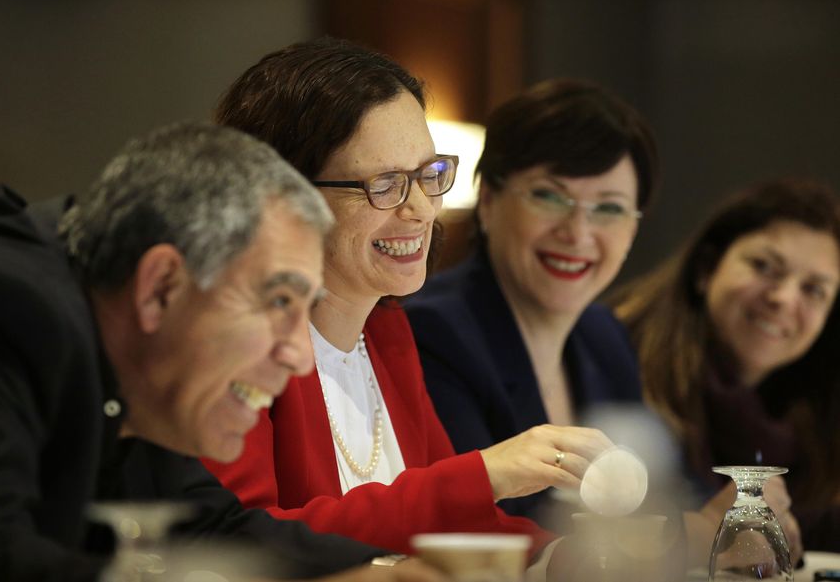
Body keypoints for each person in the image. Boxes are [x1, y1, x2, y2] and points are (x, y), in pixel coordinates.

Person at [0, 122, 446, 582]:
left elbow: (214, 528)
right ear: (161, 289)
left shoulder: (142, 374)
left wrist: (392, 573)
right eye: (278, 301)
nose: (299, 355)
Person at [203, 37, 614, 558]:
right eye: (385, 183)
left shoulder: (387, 330)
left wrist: (568, 560)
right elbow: (248, 541)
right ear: (283, 198)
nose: (421, 209)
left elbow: (450, 525)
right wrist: (484, 473)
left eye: (428, 176)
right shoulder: (233, 340)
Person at [405, 78, 656, 522]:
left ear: (633, 228)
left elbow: (653, 494)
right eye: (548, 196)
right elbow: (483, 521)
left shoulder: (606, 336)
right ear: (488, 201)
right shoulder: (434, 332)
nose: (577, 232)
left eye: (609, 208)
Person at [611, 178, 840, 552]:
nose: (782, 297)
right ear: (705, 269)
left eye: (813, 290)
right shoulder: (616, 362)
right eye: (765, 266)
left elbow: (810, 525)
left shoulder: (803, 418)